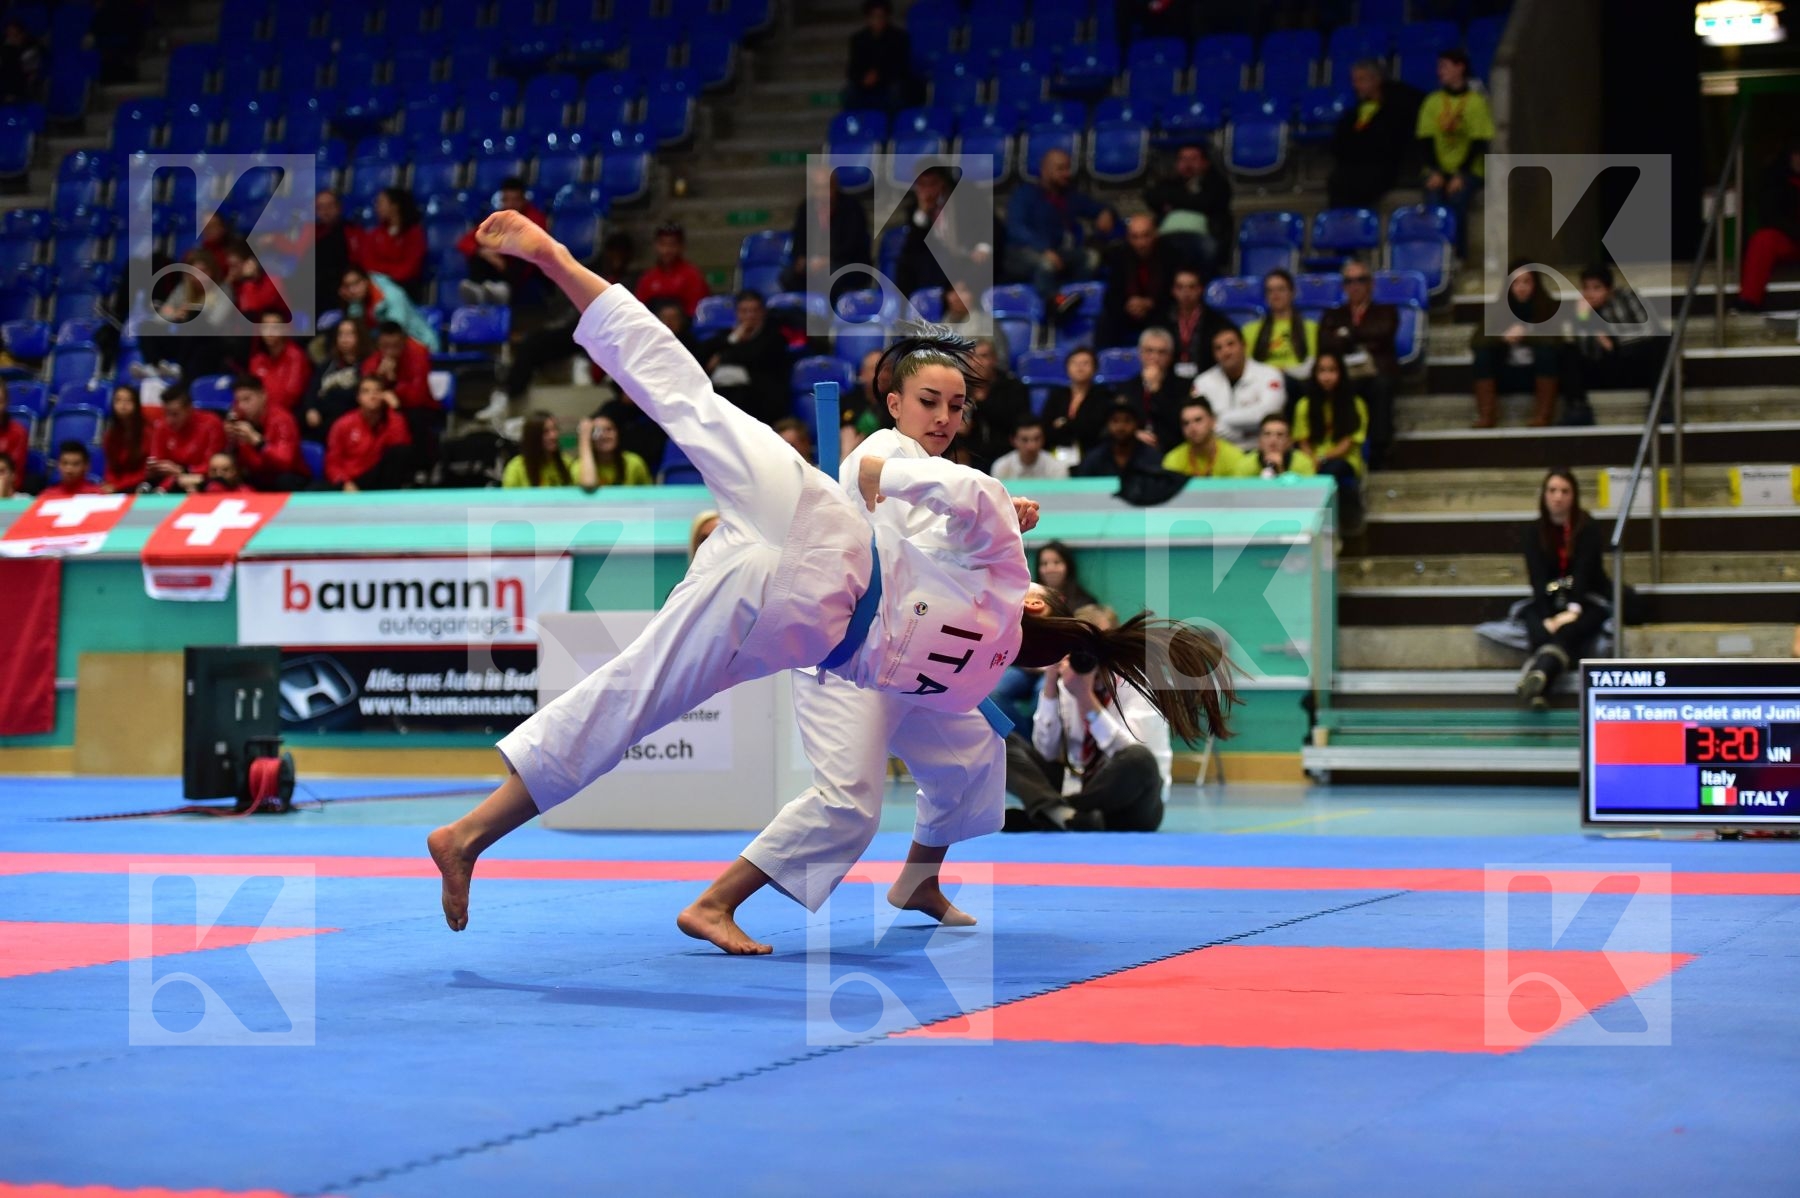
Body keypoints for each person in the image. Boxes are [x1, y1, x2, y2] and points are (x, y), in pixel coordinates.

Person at [428, 211, 1236, 949]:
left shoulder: (976, 605)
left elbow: (954, 531)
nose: (947, 417)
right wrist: (960, 502)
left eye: (958, 406)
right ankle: (560, 261)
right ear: (893, 398)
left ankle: (917, 878)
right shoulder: (897, 468)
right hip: (822, 576)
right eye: (932, 401)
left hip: (811, 602)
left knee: (968, 760)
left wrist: (984, 514)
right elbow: (898, 480)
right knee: (688, 435)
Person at [1005, 608, 1175, 832]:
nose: (1090, 656)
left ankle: (1049, 813)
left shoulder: (1140, 683)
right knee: (1002, 741)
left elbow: (1131, 755)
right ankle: (1064, 815)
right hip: (1077, 787)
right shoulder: (1070, 679)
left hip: (1134, 804)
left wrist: (1085, 698)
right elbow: (1045, 752)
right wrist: (1049, 687)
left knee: (1139, 759)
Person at [1517, 468, 1610, 709]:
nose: (1558, 497)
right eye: (1552, 491)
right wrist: (1549, 617)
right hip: (1549, 601)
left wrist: (1573, 609)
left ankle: (1538, 675)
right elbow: (1537, 578)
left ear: (1574, 496)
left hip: (1586, 599)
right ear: (1544, 495)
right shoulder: (1532, 532)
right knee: (1537, 624)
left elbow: (1585, 571)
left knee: (1572, 629)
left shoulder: (1586, 527)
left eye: (1564, 491)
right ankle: (1542, 680)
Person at [1003, 149, 1116, 312]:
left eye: (1068, 168)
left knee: (1091, 257)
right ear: (1045, 170)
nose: (1067, 173)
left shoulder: (1070, 196)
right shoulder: (1024, 195)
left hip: (1058, 252)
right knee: (1046, 264)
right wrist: (1043, 249)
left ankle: (1075, 298)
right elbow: (1016, 228)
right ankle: (1054, 306)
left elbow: (1095, 207)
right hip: (1021, 254)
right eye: (1061, 169)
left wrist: (1106, 212)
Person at [1317, 261, 1399, 468]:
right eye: (1349, 281)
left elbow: (1383, 332)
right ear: (1343, 286)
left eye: (1361, 280)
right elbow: (1325, 341)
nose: (1355, 285)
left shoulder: (1386, 311)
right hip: (1343, 372)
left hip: (1376, 372)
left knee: (1381, 386)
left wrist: (1345, 335)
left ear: (1370, 284)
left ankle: (1380, 452)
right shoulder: (1333, 313)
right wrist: (1360, 337)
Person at [1416, 48, 1493, 260]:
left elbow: (1479, 142)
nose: (1440, 71)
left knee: (1458, 199)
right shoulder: (1433, 101)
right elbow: (1425, 140)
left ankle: (1457, 256)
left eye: (1445, 66)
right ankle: (1433, 256)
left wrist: (1461, 173)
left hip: (1468, 169)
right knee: (1433, 199)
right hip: (1438, 168)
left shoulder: (1476, 102)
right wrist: (1434, 171)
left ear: (1460, 68)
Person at [1561, 263, 1657, 420]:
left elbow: (1648, 331)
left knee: (1662, 342)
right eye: (1586, 288)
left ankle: (1662, 406)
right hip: (1603, 367)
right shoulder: (1582, 310)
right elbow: (1586, 350)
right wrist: (1585, 320)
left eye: (1596, 288)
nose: (1590, 294)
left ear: (1609, 289)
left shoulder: (1627, 297)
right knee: (1568, 351)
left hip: (1632, 363)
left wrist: (1612, 339)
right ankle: (1578, 409)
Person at [1471, 266, 1563, 428]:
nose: (1521, 287)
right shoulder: (1498, 309)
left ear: (1535, 285)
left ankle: (1543, 415)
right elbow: (1476, 341)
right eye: (1516, 283)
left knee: (1547, 352)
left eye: (1526, 282)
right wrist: (1502, 337)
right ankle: (1487, 415)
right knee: (1482, 354)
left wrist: (1526, 334)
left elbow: (1558, 341)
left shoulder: (1548, 307)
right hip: (1506, 376)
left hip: (1537, 375)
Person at [1327, 60, 1422, 211]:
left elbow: (1387, 143)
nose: (1356, 85)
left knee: (1354, 183)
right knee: (1337, 180)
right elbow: (1340, 143)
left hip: (1380, 168)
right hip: (1352, 167)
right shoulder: (1353, 112)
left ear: (1376, 80)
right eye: (1354, 80)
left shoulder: (1397, 106)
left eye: (1361, 80)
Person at [1291, 351, 1369, 528]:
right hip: (1311, 460)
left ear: (1341, 374)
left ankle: (1325, 526)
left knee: (1332, 470)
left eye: (1332, 370)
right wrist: (1311, 460)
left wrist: (1322, 459)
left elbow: (1348, 443)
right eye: (1322, 371)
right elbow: (1303, 441)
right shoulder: (1304, 405)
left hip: (1344, 460)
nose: (1327, 377)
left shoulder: (1356, 404)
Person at [893, 166, 994, 300]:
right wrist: (923, 211)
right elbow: (914, 245)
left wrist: (984, 247)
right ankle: (914, 307)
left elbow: (987, 222)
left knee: (981, 264)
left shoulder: (966, 196)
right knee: (907, 266)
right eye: (922, 184)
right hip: (937, 261)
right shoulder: (914, 207)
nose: (928, 190)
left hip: (968, 253)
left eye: (932, 183)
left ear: (942, 182)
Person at [698, 290, 792, 427]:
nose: (750, 316)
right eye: (744, 311)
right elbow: (702, 355)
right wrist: (733, 339)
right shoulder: (726, 336)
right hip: (724, 395)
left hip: (760, 399)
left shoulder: (774, 337)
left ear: (762, 312)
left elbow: (754, 356)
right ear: (737, 313)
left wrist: (721, 357)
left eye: (754, 311)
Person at [782, 166, 872, 302]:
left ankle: (828, 316)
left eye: (826, 187)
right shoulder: (805, 208)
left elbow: (854, 244)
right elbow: (798, 239)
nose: (823, 192)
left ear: (835, 186)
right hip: (813, 263)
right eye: (818, 188)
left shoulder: (852, 207)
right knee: (788, 277)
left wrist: (827, 259)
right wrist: (802, 258)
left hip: (846, 263)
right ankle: (805, 314)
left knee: (829, 275)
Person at [1143, 141, 1234, 276]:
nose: (1188, 164)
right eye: (1183, 159)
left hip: (1204, 235)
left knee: (1208, 250)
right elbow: (1150, 196)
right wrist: (1190, 199)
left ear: (1205, 162)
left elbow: (1208, 203)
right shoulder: (1170, 181)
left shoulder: (1217, 182)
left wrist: (1173, 202)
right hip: (1167, 235)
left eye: (1193, 159)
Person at [1192, 326, 1286, 451]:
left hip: (1259, 451)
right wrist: (1244, 431)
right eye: (1218, 348)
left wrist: (1222, 419)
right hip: (1218, 453)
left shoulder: (1270, 375)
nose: (1226, 351)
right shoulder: (1202, 382)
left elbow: (1270, 413)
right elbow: (1198, 420)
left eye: (1230, 344)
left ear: (1244, 345)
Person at [457, 178, 548, 308]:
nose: (510, 204)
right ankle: (477, 289)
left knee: (525, 253)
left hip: (524, 268)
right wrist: (483, 252)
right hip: (499, 266)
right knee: (479, 252)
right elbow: (465, 242)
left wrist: (502, 250)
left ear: (523, 200)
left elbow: (535, 246)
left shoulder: (535, 218)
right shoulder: (497, 217)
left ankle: (503, 289)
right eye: (506, 200)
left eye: (515, 200)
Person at [1736, 137, 1800, 312]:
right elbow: (1771, 216)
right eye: (1796, 153)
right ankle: (1748, 302)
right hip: (1792, 240)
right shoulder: (1776, 179)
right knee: (1763, 240)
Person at [1099, 214, 1173, 349]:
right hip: (1128, 310)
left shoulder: (1170, 255)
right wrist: (1129, 304)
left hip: (1158, 309)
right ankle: (1105, 363)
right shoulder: (1118, 256)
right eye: (1135, 237)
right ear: (1128, 238)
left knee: (1171, 317)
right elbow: (1112, 294)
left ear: (1155, 234)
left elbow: (1174, 291)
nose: (1141, 243)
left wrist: (1150, 303)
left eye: (1146, 236)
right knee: (1106, 320)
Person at [325, 376, 412, 491]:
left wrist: (395, 409)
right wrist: (344, 482)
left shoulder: (391, 421)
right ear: (358, 397)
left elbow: (401, 443)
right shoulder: (343, 424)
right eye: (366, 391)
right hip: (350, 480)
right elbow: (332, 462)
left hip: (379, 478)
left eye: (377, 391)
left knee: (400, 452)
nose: (372, 396)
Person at [365, 319, 438, 450]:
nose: (390, 351)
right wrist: (380, 378)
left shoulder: (418, 355)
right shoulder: (374, 360)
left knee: (415, 418)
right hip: (384, 406)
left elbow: (417, 397)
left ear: (404, 342)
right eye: (385, 346)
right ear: (378, 345)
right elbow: (365, 388)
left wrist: (394, 384)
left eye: (395, 346)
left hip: (419, 408)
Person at [226, 377, 309, 491]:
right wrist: (231, 441)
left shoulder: (282, 420)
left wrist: (257, 441)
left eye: (247, 399)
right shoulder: (239, 422)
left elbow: (284, 462)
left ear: (263, 396)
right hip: (258, 477)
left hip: (288, 477)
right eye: (238, 401)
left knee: (283, 481)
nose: (241, 406)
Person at [1118, 327, 1189, 450]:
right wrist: (1133, 434)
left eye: (1161, 352)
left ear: (1170, 356)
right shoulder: (1125, 387)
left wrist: (1156, 391)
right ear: (1140, 354)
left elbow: (1181, 424)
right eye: (1149, 351)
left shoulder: (1184, 386)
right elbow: (1116, 423)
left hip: (1171, 449)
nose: (1155, 357)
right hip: (1133, 450)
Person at [146, 384, 227, 491]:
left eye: (175, 414)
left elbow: (214, 466)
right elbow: (157, 460)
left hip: (203, 479)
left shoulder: (211, 424)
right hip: (170, 480)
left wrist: (184, 471)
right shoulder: (161, 426)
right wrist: (155, 469)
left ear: (189, 409)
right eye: (166, 413)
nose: (169, 420)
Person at [843, 0, 919, 113]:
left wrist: (879, 76)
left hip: (889, 82)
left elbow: (901, 67)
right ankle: (856, 126)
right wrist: (863, 79)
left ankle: (892, 126)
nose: (877, 20)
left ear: (887, 17)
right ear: (867, 18)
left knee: (897, 91)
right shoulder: (858, 39)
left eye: (881, 16)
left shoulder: (899, 37)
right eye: (873, 16)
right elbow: (853, 68)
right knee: (850, 92)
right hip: (866, 85)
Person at [338, 266, 439, 351]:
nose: (352, 290)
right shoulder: (357, 301)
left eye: (356, 284)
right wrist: (345, 303)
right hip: (384, 347)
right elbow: (357, 330)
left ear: (366, 280)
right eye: (347, 286)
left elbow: (396, 332)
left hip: (419, 344)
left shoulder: (393, 295)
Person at [1242, 269, 1318, 382]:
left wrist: (1284, 372)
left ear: (1292, 292)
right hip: (1262, 384)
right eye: (1270, 291)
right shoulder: (1249, 329)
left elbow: (1312, 366)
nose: (1275, 295)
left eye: (1281, 289)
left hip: (1298, 383)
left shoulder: (1311, 327)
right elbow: (1247, 368)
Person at [301, 318, 368, 441]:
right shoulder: (328, 364)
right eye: (341, 334)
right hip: (320, 419)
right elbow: (312, 390)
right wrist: (311, 409)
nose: (344, 339)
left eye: (349, 334)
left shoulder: (366, 365)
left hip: (345, 420)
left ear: (360, 337)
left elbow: (355, 397)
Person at [1040, 345, 1113, 455]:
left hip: (1090, 452)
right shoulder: (1057, 395)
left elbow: (1093, 429)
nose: (1080, 367)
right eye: (1074, 363)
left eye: (1085, 363)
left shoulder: (1103, 395)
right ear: (1067, 368)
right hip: (1057, 450)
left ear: (1095, 369)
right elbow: (1045, 427)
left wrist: (1063, 424)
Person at [354, 187, 427, 296]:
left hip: (404, 288)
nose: (377, 207)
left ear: (395, 206)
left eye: (381, 203)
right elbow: (368, 264)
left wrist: (384, 272)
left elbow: (410, 268)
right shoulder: (374, 235)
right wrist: (386, 274)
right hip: (377, 287)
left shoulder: (414, 234)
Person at [1165, 269, 1234, 382]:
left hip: (1208, 378)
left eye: (1191, 287)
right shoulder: (1163, 321)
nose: (1186, 292)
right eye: (1180, 287)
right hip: (1169, 380)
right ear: (1173, 291)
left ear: (1200, 289)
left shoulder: (1216, 321)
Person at [1161, 397, 1253, 478]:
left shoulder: (1235, 458)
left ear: (1213, 421)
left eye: (1198, 420)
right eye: (1186, 423)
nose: (1192, 428)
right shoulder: (1172, 460)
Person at [633, 222, 709, 317]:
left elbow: (697, 312)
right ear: (656, 246)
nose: (667, 250)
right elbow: (639, 312)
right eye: (663, 244)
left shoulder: (692, 275)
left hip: (684, 329)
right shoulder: (647, 278)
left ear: (681, 247)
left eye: (672, 244)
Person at [1077, 400, 1165, 478]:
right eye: (1115, 421)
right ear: (1107, 425)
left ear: (1137, 424)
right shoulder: (1094, 459)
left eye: (1127, 420)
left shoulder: (1152, 458)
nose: (1121, 427)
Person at [247, 311, 312, 413]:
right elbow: (251, 392)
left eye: (275, 326)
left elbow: (291, 395)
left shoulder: (295, 356)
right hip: (259, 415)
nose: (270, 331)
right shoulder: (257, 360)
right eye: (265, 327)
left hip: (290, 413)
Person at [576, 410, 654, 489]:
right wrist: (584, 440)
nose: (604, 436)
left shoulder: (634, 462)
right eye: (597, 431)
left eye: (609, 429)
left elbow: (650, 494)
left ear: (618, 433)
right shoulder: (580, 467)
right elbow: (589, 484)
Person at [501, 411, 574, 488]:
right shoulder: (516, 468)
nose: (554, 436)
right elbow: (507, 499)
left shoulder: (567, 463)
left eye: (555, 429)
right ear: (533, 437)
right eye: (546, 432)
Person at [102, 385, 151, 493]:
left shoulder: (147, 433)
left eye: (128, 400)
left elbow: (146, 471)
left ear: (136, 404)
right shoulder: (110, 435)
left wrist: (118, 486)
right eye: (118, 400)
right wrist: (110, 484)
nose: (123, 405)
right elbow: (111, 468)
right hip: (117, 487)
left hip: (140, 485)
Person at [990, 415, 1069, 481]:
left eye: (1036, 439)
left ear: (1043, 439)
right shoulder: (1001, 467)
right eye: (1025, 440)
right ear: (1013, 440)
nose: (1032, 446)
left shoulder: (1057, 467)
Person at [1035, 540, 1098, 612]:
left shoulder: (1085, 604)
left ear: (1068, 566)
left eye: (1057, 562)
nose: (1050, 569)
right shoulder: (1028, 600)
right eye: (1044, 563)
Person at [1251, 412, 1316, 478]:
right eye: (1267, 434)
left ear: (1289, 441)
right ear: (1259, 440)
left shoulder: (1303, 463)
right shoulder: (1245, 465)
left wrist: (1281, 470)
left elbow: (1309, 488)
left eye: (1280, 435)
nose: (1273, 441)